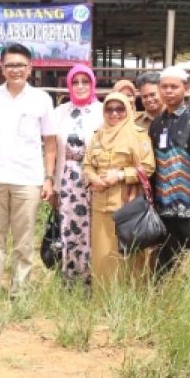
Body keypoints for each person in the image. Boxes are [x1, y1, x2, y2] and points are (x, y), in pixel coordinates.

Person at [0, 43, 56, 298]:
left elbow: (50, 143)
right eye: (10, 65)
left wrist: (48, 178)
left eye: (21, 65)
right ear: (1, 68)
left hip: (28, 179)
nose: (16, 70)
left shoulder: (42, 99)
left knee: (24, 240)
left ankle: (19, 291)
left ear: (30, 68)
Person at [83, 92, 155, 283]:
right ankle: (103, 301)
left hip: (127, 205)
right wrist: (93, 178)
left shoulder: (139, 135)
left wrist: (121, 175)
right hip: (101, 204)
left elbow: (148, 167)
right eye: (110, 109)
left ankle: (129, 301)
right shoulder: (97, 135)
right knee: (102, 254)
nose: (114, 114)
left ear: (128, 110)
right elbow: (87, 164)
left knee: (128, 255)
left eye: (120, 109)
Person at [149, 66, 190, 275]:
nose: (169, 91)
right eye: (164, 87)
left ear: (186, 88)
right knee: (165, 263)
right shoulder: (157, 124)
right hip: (164, 207)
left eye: (174, 87)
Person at [52, 64, 105, 284]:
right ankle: (70, 278)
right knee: (68, 228)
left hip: (94, 180)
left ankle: (94, 279)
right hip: (67, 180)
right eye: (75, 82)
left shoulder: (103, 111)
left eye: (85, 81)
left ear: (92, 84)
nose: (80, 86)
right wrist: (53, 184)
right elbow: (52, 149)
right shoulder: (60, 112)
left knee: (94, 229)